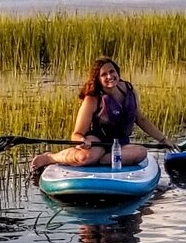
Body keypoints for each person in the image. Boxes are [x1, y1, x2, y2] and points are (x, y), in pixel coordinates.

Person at [32, 57, 170, 176]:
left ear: (117, 72)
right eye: (104, 74)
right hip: (97, 141)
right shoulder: (92, 99)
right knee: (86, 157)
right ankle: (50, 157)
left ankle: (102, 159)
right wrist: (82, 141)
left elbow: (141, 119)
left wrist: (164, 140)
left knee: (141, 152)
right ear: (98, 79)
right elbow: (77, 133)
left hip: (120, 143)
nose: (110, 76)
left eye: (112, 71)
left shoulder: (129, 89)